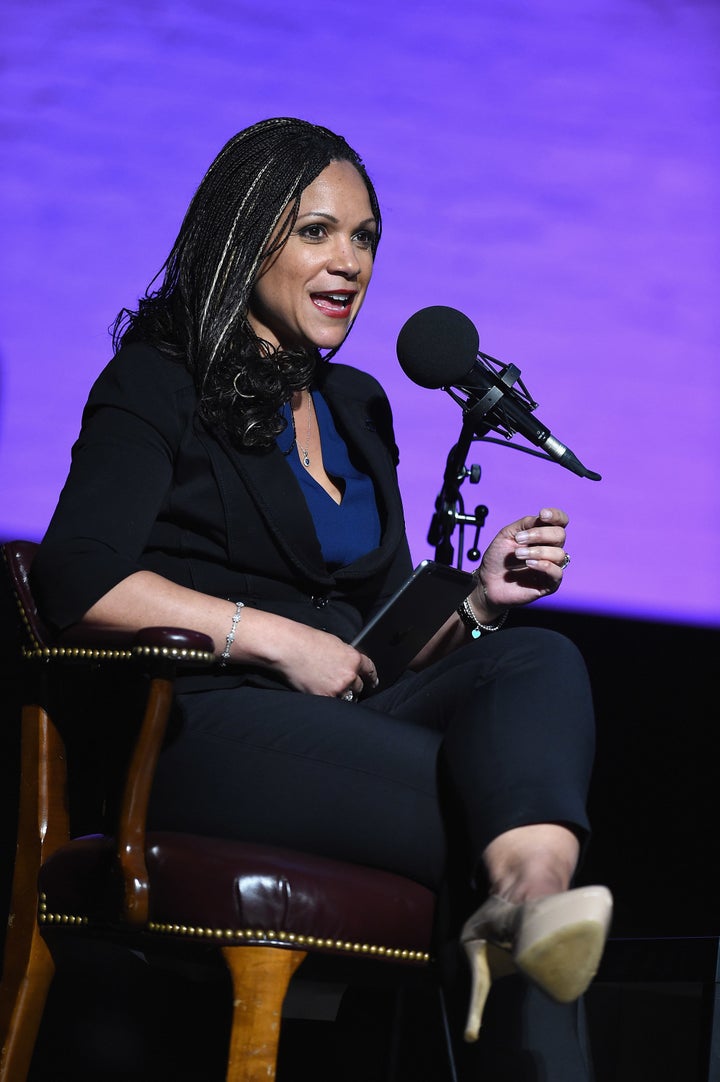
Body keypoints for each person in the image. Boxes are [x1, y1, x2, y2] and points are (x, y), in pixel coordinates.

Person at [30, 116, 612, 1078]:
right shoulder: (158, 382)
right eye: (315, 232)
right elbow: (76, 577)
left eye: (366, 237)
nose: (348, 263)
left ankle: (530, 900)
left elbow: (378, 637)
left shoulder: (356, 406)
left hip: (348, 727)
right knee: (495, 799)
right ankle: (527, 902)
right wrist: (266, 638)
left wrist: (475, 604)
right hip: (204, 731)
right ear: (241, 237)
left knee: (539, 658)